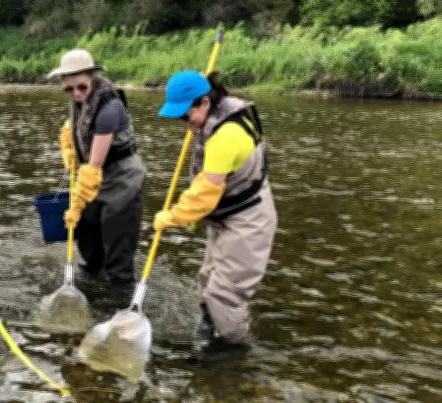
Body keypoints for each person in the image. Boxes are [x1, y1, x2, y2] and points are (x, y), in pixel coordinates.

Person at [154, 70, 278, 348]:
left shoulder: (226, 137)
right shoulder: (214, 117)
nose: (186, 125)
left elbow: (204, 196)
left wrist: (172, 216)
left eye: (187, 116)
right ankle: (213, 334)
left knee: (224, 296)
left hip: (248, 221)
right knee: (207, 281)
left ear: (205, 103)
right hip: (229, 216)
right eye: (180, 119)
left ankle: (232, 354)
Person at [47, 49, 147, 286]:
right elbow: (73, 126)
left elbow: (94, 167)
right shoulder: (79, 98)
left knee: (117, 247)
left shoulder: (109, 107)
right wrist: (69, 148)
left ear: (92, 76)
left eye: (81, 87)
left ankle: (120, 298)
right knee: (89, 240)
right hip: (92, 174)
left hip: (121, 178)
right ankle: (91, 284)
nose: (76, 93)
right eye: (69, 89)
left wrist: (75, 206)